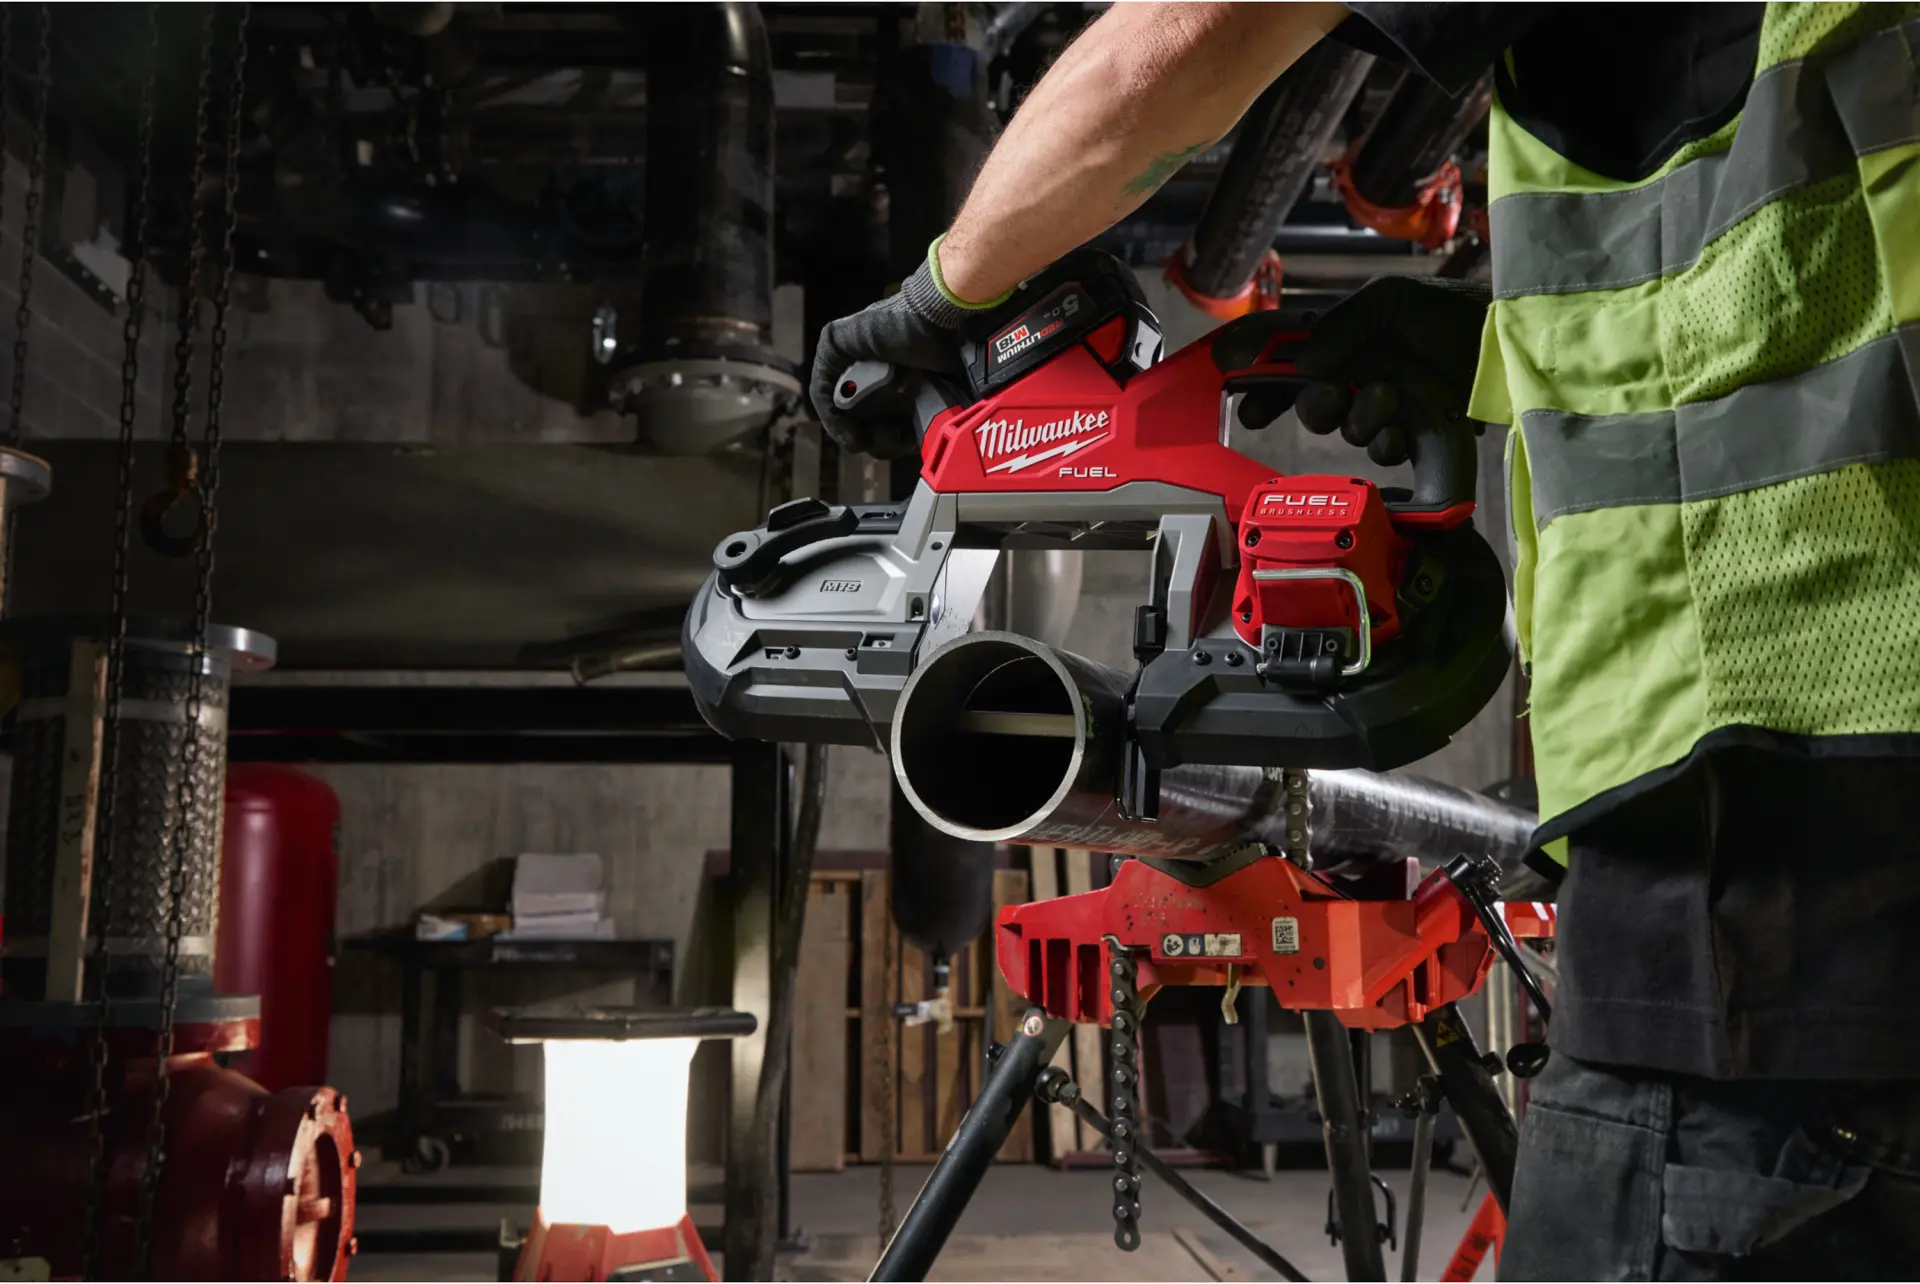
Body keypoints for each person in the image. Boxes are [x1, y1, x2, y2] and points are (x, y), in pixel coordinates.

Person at [810, 3, 1920, 1279]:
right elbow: (1799, 276)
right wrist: (1501, 351)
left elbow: (1189, 37)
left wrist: (942, 290)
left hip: (1774, 865)